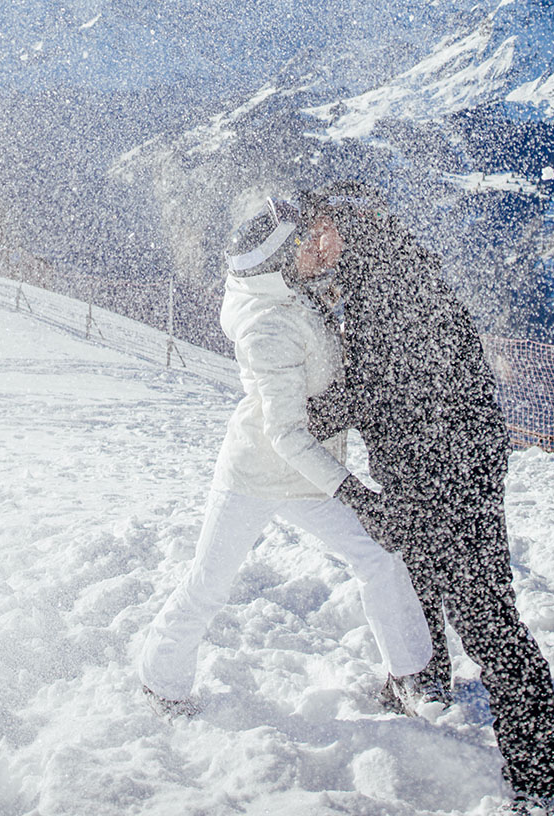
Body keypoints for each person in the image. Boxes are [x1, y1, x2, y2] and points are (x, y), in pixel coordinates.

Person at [300, 184, 554, 813]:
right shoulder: (391, 269)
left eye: (322, 231)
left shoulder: (389, 288)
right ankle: (425, 679)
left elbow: (380, 386)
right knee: (417, 573)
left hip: (446, 471)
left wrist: (303, 419)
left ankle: (544, 767)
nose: (315, 244)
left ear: (351, 227)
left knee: (483, 611)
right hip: (445, 461)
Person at [138, 196, 433, 717]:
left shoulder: (285, 295)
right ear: (275, 261)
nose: (312, 248)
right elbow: (286, 434)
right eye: (299, 244)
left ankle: (409, 676)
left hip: (308, 470)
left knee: (379, 559)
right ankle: (161, 683)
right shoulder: (268, 328)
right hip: (256, 473)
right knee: (208, 584)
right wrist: (356, 495)